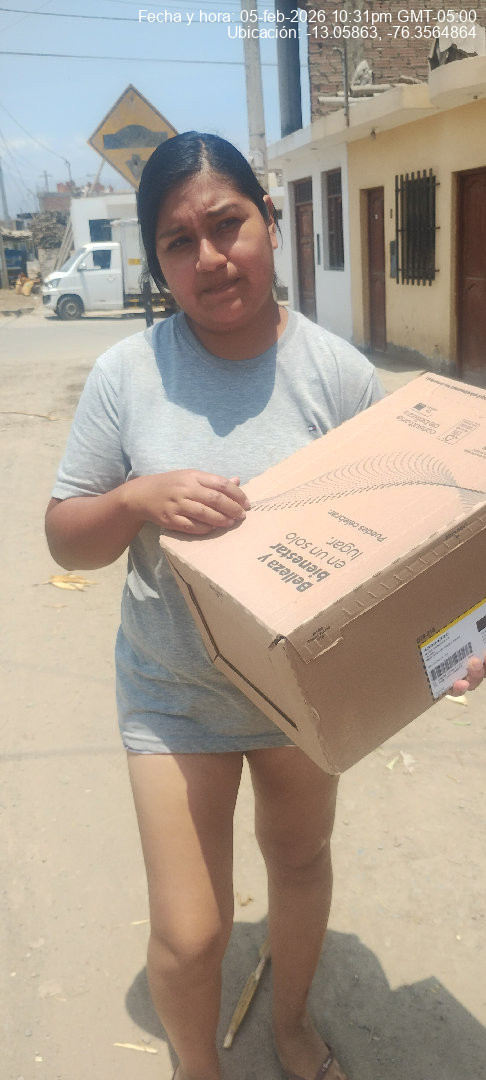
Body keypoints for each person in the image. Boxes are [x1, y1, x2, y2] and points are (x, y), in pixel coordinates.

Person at [45, 132, 486, 1080]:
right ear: (157, 261)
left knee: (299, 862)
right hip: (174, 694)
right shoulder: (130, 376)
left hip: (303, 699)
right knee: (191, 934)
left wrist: (460, 643)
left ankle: (290, 1024)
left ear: (271, 224)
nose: (209, 257)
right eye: (178, 242)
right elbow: (65, 538)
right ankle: (197, 1066)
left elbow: (416, 544)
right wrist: (135, 500)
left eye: (227, 224)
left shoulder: (339, 375)